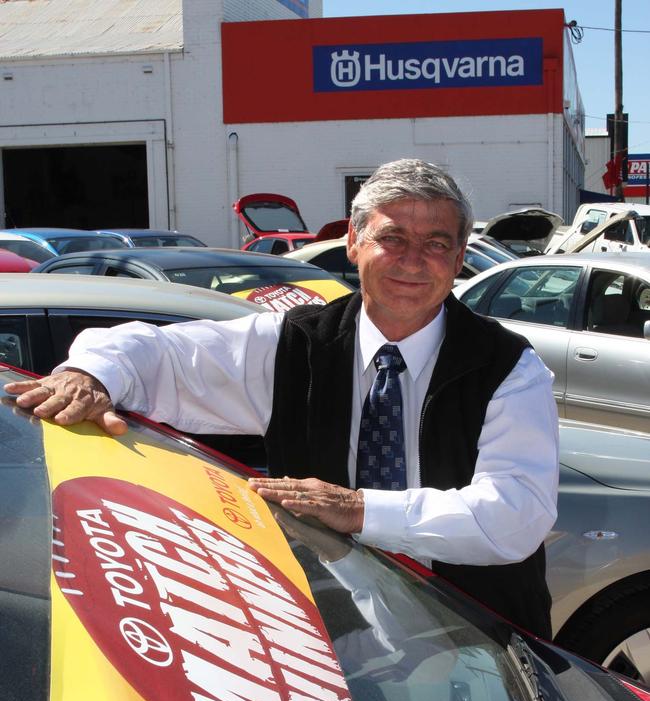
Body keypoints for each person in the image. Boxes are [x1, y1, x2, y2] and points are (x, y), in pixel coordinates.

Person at [5, 158, 559, 637]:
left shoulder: (508, 367)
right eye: (392, 238)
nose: (413, 260)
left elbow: (516, 514)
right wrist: (90, 374)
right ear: (354, 242)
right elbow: (151, 353)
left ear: (461, 255)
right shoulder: (292, 343)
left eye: (436, 243)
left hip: (480, 650)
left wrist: (357, 510)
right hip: (338, 645)